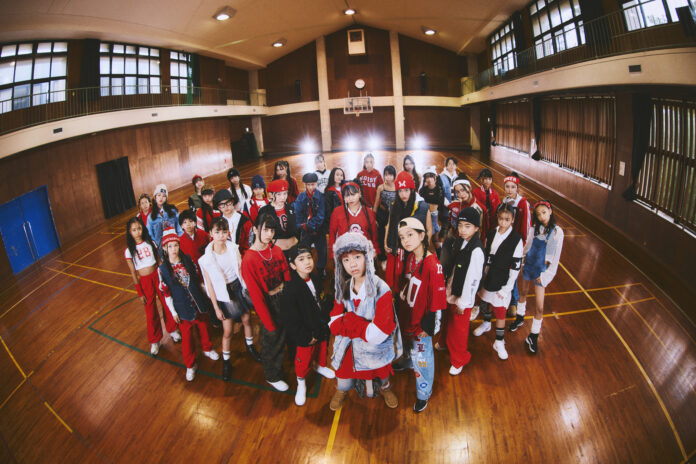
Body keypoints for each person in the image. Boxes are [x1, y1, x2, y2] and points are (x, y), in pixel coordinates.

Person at [328, 232, 402, 411]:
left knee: (381, 371)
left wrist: (350, 320)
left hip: (375, 348)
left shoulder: (382, 289)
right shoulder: (343, 286)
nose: (352, 264)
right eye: (346, 260)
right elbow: (334, 325)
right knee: (343, 373)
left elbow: (378, 334)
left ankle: (385, 388)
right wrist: (363, 327)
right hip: (350, 345)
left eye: (357, 257)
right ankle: (342, 390)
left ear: (367, 257)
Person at [392, 218, 447, 413]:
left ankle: (424, 393)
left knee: (423, 359)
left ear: (422, 235)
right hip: (409, 314)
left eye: (410, 235)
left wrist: (429, 327)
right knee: (408, 345)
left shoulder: (432, 265)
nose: (405, 240)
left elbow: (438, 302)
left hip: (422, 323)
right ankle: (408, 361)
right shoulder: (410, 257)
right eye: (402, 237)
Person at [200, 217, 261, 382]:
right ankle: (226, 362)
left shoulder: (233, 248)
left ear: (228, 232)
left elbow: (241, 270)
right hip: (223, 292)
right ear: (211, 233)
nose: (221, 235)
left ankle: (250, 347)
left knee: (247, 319)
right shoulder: (205, 259)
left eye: (224, 231)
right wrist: (216, 307)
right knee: (228, 330)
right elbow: (209, 285)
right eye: (217, 232)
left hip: (238, 287)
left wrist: (248, 288)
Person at [158, 227, 219, 382]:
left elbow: (197, 279)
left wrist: (205, 293)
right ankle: (190, 365)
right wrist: (173, 312)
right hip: (182, 307)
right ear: (164, 248)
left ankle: (207, 348)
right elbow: (166, 294)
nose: (173, 249)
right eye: (170, 246)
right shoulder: (163, 269)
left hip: (197, 302)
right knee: (187, 338)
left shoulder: (187, 260)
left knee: (204, 327)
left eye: (175, 245)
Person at [241, 213, 292, 391]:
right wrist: (267, 320)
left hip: (283, 295)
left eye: (272, 230)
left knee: (285, 333)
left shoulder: (275, 250)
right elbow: (256, 295)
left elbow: (286, 273)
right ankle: (272, 375)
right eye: (265, 230)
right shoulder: (249, 259)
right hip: (268, 301)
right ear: (256, 230)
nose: (269, 234)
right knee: (271, 339)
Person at [280, 245, 335, 406]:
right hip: (306, 334)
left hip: (320, 327)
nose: (307, 262)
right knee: (303, 361)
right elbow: (291, 319)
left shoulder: (316, 278)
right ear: (292, 265)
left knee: (322, 350)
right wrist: (306, 337)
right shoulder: (291, 289)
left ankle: (320, 366)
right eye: (301, 259)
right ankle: (301, 383)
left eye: (309, 257)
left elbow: (321, 300)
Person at [510, 200, 564, 354]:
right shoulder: (534, 229)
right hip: (529, 266)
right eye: (538, 214)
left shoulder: (557, 232)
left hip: (541, 272)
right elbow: (527, 247)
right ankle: (520, 317)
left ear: (550, 211)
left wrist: (545, 276)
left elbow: (554, 257)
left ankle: (533, 335)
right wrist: (520, 262)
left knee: (539, 307)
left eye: (544, 213)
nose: (541, 217)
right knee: (523, 293)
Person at [472, 204, 523, 360]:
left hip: (503, 280)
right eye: (501, 218)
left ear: (512, 219)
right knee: (486, 302)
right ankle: (486, 323)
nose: (503, 222)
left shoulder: (516, 239)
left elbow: (515, 268)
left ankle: (499, 341)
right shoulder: (492, 233)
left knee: (500, 310)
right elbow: (486, 255)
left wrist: (507, 288)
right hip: (489, 276)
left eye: (507, 219)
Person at [124, 217, 181, 356]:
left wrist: (166, 277)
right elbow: (133, 273)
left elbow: (159, 261)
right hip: (145, 281)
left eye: (139, 228)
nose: (137, 232)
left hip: (157, 276)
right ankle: (155, 340)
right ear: (129, 232)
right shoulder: (129, 251)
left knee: (166, 302)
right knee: (150, 311)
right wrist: (140, 293)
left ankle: (172, 330)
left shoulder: (150, 243)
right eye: (134, 230)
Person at [440, 208, 484, 375]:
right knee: (448, 320)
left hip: (463, 296)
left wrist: (464, 303)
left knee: (459, 329)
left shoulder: (476, 251)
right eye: (460, 225)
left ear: (476, 228)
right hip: (453, 287)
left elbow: (473, 280)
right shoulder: (460, 241)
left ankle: (459, 359)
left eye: (467, 226)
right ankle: (444, 343)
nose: (462, 230)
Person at [384, 171, 432, 288]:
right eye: (400, 191)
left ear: (412, 189)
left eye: (406, 190)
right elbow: (389, 224)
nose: (403, 194)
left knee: (411, 279)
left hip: (414, 249)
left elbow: (429, 229)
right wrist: (385, 242)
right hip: (396, 248)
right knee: (395, 278)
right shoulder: (394, 205)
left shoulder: (422, 206)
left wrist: (424, 248)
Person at [502, 172, 531, 314]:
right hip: (505, 242)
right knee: (506, 271)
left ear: (517, 188)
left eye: (512, 187)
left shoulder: (523, 203)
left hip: (517, 244)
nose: (509, 190)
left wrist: (522, 246)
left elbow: (526, 227)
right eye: (507, 186)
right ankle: (505, 300)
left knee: (512, 272)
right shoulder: (505, 201)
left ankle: (514, 301)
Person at [328, 181, 380, 258]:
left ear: (359, 193)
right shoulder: (337, 211)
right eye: (347, 195)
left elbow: (374, 234)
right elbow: (332, 234)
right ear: (343, 197)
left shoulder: (368, 212)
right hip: (344, 253)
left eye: (353, 194)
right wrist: (334, 253)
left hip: (364, 253)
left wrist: (375, 250)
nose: (350, 198)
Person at [294, 172, 326, 277]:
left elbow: (320, 216)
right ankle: (307, 269)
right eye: (308, 184)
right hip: (305, 230)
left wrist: (309, 225)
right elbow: (298, 214)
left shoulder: (321, 197)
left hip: (319, 229)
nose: (311, 187)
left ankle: (321, 268)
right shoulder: (300, 197)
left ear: (316, 183)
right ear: (305, 185)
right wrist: (303, 225)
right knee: (305, 250)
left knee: (322, 251)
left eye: (313, 184)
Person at [258, 179, 299, 258]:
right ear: (271, 195)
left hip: (294, 251)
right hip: (275, 253)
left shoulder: (291, 208)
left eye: (285, 193)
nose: (283, 197)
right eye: (279, 194)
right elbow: (260, 234)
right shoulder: (264, 211)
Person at [213, 190, 252, 255]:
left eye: (228, 203)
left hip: (243, 256)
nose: (226, 207)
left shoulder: (245, 220)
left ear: (232, 202)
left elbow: (250, 242)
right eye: (221, 205)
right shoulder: (217, 223)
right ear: (218, 207)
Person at [373, 165, 397, 262]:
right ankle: (382, 257)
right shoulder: (381, 187)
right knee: (381, 235)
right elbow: (376, 203)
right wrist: (374, 218)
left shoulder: (397, 187)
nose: (388, 177)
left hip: (393, 214)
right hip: (382, 214)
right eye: (386, 175)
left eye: (390, 175)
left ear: (394, 176)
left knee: (392, 234)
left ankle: (392, 255)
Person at [178, 209, 209, 274]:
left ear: (195, 223)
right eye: (185, 222)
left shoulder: (203, 234)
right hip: (193, 271)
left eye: (190, 221)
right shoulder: (180, 241)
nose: (188, 224)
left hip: (207, 266)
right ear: (181, 226)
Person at [419, 166, 448, 237]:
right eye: (427, 177)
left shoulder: (439, 189)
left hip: (435, 214)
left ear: (435, 177)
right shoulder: (424, 189)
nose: (429, 179)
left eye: (431, 176)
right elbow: (421, 199)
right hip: (426, 213)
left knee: (433, 231)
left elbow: (440, 204)